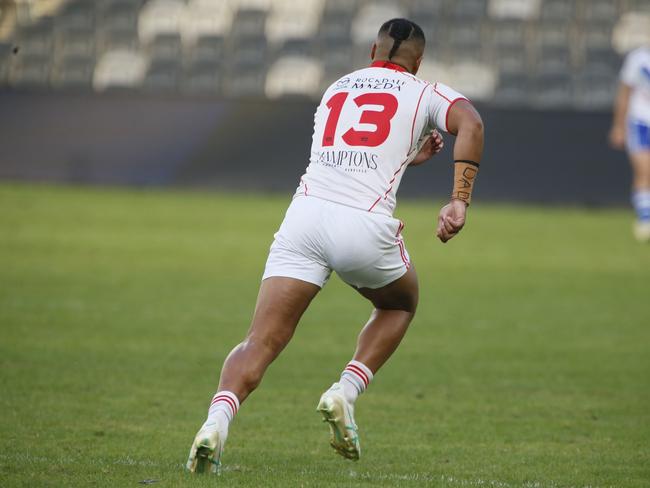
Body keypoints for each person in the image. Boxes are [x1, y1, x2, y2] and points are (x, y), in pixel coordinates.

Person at [186, 18, 484, 474]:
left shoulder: (337, 88)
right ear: (418, 60)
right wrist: (458, 201)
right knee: (400, 305)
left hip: (304, 218)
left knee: (261, 339)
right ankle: (345, 391)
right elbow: (472, 124)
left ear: (372, 50)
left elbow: (353, 150)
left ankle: (215, 421)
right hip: (362, 226)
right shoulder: (426, 92)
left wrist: (410, 155)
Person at [609, 44, 650, 242]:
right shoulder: (638, 59)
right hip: (640, 122)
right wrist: (619, 126)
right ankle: (645, 219)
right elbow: (624, 93)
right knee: (644, 171)